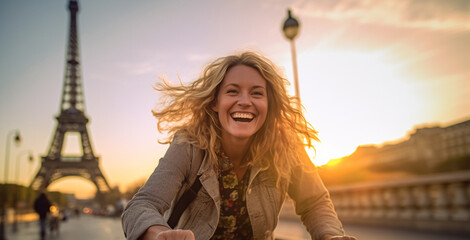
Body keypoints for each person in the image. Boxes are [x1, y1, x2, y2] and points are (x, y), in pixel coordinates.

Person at [122, 51, 357, 240]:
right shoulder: (188, 144)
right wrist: (158, 233)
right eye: (233, 91)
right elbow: (142, 204)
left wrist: (330, 235)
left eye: (257, 93)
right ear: (215, 102)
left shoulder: (287, 147)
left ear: (268, 104)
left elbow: (314, 202)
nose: (245, 102)